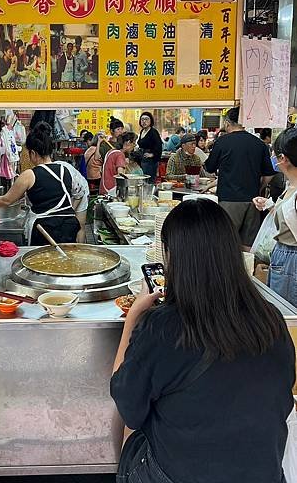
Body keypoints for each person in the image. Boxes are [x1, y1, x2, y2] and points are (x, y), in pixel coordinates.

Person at [111, 199, 295, 483]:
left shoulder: (163, 326)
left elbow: (129, 408)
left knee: (130, 427)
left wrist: (134, 318)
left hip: (180, 475)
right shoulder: (270, 319)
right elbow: (282, 404)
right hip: (264, 474)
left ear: (173, 257)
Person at [0, 122, 85, 245]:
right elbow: (80, 193)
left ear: (33, 153)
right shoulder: (64, 169)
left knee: (42, 263)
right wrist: (67, 209)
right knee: (64, 262)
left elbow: (6, 200)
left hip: (45, 230)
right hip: (69, 226)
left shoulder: (29, 175)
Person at [205, 106, 276, 248]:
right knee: (247, 245)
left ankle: (226, 270)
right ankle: (247, 269)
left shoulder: (222, 142)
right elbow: (269, 173)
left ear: (227, 123)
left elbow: (209, 168)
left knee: (224, 243)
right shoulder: (259, 144)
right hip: (253, 202)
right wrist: (259, 187)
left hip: (229, 200)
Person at [253, 128, 297, 306]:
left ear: (283, 158)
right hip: (283, 257)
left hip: (290, 260)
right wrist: (271, 205)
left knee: (286, 312)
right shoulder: (291, 185)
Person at [100, 132, 137, 196]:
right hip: (111, 189)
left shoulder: (111, 151)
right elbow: (120, 175)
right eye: (134, 143)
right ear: (128, 142)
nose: (135, 145)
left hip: (104, 187)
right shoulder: (120, 154)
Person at [137, 112, 163, 180]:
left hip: (150, 161)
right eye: (142, 119)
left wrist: (152, 154)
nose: (144, 121)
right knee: (142, 179)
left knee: (149, 180)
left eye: (146, 119)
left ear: (151, 121)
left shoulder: (153, 132)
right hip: (142, 159)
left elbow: (159, 145)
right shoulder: (142, 131)